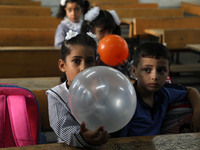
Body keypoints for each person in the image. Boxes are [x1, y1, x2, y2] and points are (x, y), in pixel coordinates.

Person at [111, 42, 200, 137]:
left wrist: (197, 114)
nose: (155, 77)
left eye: (161, 70)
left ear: (168, 72)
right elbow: (119, 138)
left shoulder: (165, 92)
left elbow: (191, 91)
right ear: (134, 71)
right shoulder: (127, 101)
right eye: (147, 70)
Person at [46, 30, 109, 148]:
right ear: (62, 65)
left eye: (89, 61)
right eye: (76, 61)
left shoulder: (101, 91)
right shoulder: (56, 95)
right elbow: (63, 128)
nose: (83, 68)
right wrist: (83, 136)